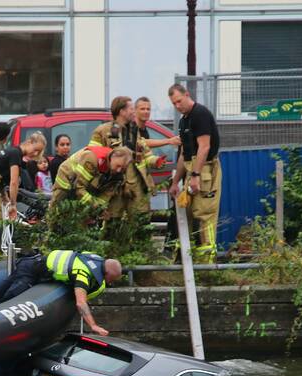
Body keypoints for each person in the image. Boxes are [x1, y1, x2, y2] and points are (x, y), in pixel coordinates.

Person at [0, 250, 123, 335]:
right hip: (29, 272)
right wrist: (93, 326)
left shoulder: (92, 257)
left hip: (32, 265)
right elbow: (80, 302)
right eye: (110, 280)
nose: (108, 283)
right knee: (4, 301)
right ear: (106, 273)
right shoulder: (84, 274)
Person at [168, 83, 222, 262]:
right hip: (192, 169)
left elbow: (204, 147)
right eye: (173, 103)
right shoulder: (184, 120)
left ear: (187, 94)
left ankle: (207, 263)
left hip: (205, 169)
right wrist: (176, 182)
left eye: (179, 101)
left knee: (204, 214)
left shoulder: (200, 114)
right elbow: (185, 153)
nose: (177, 106)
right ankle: (185, 260)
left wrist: (196, 176)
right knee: (188, 213)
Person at [89, 96, 161, 223]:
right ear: (122, 111)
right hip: (114, 187)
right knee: (113, 225)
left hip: (136, 186)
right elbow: (93, 156)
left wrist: (155, 161)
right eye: (131, 109)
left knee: (141, 224)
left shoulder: (134, 131)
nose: (134, 112)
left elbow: (145, 152)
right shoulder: (102, 131)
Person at [0, 132, 47, 246]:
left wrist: (5, 198)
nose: (35, 154)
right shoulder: (15, 153)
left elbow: (0, 175)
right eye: (35, 149)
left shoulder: (14, 154)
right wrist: (13, 205)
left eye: (39, 152)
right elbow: (14, 182)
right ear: (29, 142)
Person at [49, 145, 132, 210]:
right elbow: (79, 188)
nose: (119, 170)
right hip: (67, 175)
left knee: (83, 210)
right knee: (58, 204)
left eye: (123, 168)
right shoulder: (92, 158)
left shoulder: (118, 175)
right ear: (113, 156)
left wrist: (100, 210)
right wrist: (94, 205)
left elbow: (104, 197)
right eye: (118, 166)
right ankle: (50, 227)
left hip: (87, 182)